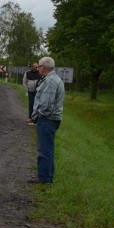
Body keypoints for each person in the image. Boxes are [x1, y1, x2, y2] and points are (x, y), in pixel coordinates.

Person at [28, 56, 64, 185]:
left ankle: (44, 179)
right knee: (47, 149)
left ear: (44, 67)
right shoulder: (51, 79)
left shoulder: (50, 81)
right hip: (50, 119)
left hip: (47, 119)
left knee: (44, 150)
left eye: (39, 66)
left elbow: (47, 105)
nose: (37, 69)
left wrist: (38, 116)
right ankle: (46, 177)